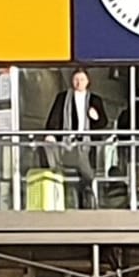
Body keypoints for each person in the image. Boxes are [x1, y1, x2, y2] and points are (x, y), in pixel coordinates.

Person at [46, 68, 111, 209]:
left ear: (87, 82)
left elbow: (104, 123)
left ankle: (88, 201)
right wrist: (50, 134)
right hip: (68, 142)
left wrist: (96, 117)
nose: (78, 82)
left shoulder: (95, 100)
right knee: (69, 175)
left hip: (87, 143)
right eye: (76, 79)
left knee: (87, 174)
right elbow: (55, 117)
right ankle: (72, 203)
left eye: (82, 79)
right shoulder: (63, 98)